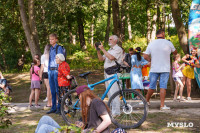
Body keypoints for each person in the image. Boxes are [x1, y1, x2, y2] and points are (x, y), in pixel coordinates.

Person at [35, 85, 112, 133]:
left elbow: (107, 121)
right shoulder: (88, 107)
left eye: (79, 96)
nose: (79, 99)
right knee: (45, 118)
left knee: (44, 127)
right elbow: (81, 125)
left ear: (83, 95)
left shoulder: (96, 102)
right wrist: (74, 128)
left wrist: (95, 132)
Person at [143, 29, 177, 110]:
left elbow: (145, 56)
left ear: (156, 35)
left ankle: (146, 101)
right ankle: (162, 105)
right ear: (163, 34)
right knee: (163, 87)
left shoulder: (152, 43)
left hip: (154, 68)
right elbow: (175, 52)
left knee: (151, 86)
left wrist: (150, 60)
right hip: (165, 68)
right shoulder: (168, 43)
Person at [96, 35, 123, 116]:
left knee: (114, 92)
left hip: (114, 72)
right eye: (108, 39)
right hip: (107, 72)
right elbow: (101, 59)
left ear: (115, 40)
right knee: (109, 93)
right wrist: (98, 51)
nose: (109, 40)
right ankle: (111, 111)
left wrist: (103, 49)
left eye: (110, 39)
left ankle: (116, 112)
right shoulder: (110, 50)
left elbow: (111, 58)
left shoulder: (118, 49)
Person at [47, 33, 64, 114]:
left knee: (58, 90)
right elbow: (50, 59)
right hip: (50, 70)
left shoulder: (58, 47)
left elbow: (61, 59)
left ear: (56, 39)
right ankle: (53, 107)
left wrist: (58, 71)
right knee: (52, 90)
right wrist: (48, 70)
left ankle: (59, 107)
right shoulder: (50, 48)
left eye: (52, 39)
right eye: (50, 39)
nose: (51, 41)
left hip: (56, 70)